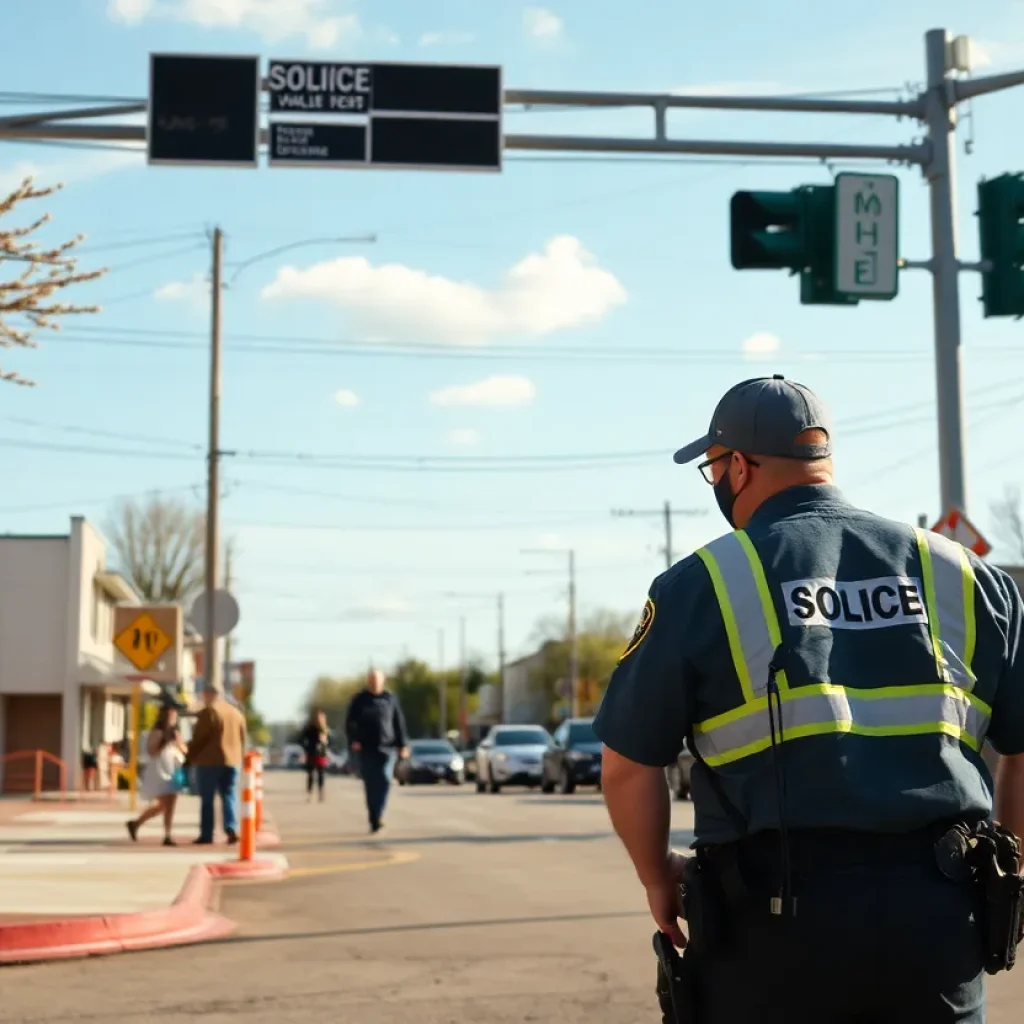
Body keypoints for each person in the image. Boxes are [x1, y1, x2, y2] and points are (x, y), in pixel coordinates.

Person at [594, 374, 1024, 1024]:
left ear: (738, 466)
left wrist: (658, 876)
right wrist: (1006, 879)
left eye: (713, 468)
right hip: (939, 921)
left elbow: (627, 767)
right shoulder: (966, 576)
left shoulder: (701, 583)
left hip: (770, 926)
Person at [345, 668, 409, 833]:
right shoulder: (359, 700)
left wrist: (403, 745)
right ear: (368, 681)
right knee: (371, 783)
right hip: (366, 748)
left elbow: (398, 723)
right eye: (372, 680)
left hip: (387, 747)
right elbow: (351, 723)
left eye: (377, 680)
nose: (374, 683)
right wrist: (355, 740)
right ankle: (374, 816)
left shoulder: (390, 699)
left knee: (385, 780)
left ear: (382, 681)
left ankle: (378, 813)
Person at [185, 684, 247, 845]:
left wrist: (189, 757)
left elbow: (200, 738)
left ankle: (207, 834)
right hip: (232, 761)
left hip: (210, 761)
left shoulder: (210, 712)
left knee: (207, 799)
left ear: (208, 694)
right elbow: (243, 738)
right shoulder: (236, 713)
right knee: (229, 795)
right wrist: (240, 757)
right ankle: (231, 827)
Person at [126, 704, 187, 846]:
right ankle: (167, 835)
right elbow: (151, 750)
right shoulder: (157, 731)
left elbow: (184, 749)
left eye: (175, 714)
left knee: (165, 805)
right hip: (160, 771)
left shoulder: (176, 732)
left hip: (173, 770)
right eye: (171, 713)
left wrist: (178, 742)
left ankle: (136, 824)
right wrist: (163, 740)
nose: (173, 716)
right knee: (166, 803)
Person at [299, 708, 332, 803]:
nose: (319, 720)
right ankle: (309, 794)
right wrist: (307, 747)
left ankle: (321, 793)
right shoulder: (309, 728)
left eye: (321, 718)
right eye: (318, 718)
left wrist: (325, 741)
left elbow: (331, 742)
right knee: (310, 775)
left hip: (321, 753)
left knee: (321, 774)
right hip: (311, 753)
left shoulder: (325, 729)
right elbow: (301, 739)